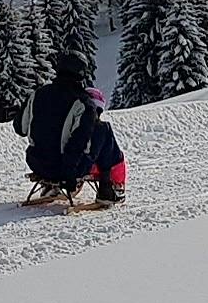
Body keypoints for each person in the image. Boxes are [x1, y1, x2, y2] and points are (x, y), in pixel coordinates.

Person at [14, 49, 126, 205]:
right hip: (66, 171)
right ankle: (107, 189)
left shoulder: (38, 94)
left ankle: (48, 185)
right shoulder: (83, 102)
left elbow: (20, 128)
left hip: (36, 163)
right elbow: (77, 143)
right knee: (103, 129)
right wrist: (70, 175)